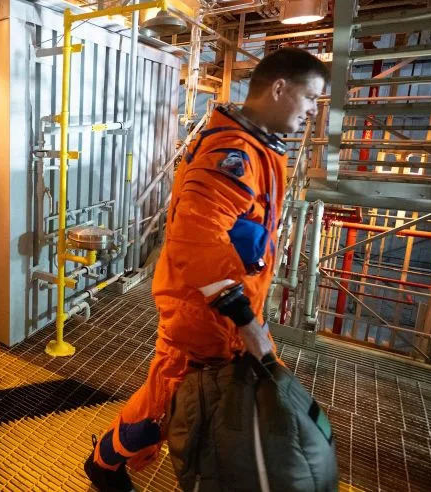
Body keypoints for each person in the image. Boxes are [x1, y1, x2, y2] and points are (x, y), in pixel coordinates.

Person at [84, 48, 329, 491]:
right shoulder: (234, 153)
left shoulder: (252, 148)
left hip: (227, 314)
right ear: (279, 88)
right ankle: (104, 462)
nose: (313, 111)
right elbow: (195, 238)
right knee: (166, 407)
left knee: (209, 399)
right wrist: (244, 318)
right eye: (311, 97)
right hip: (206, 317)